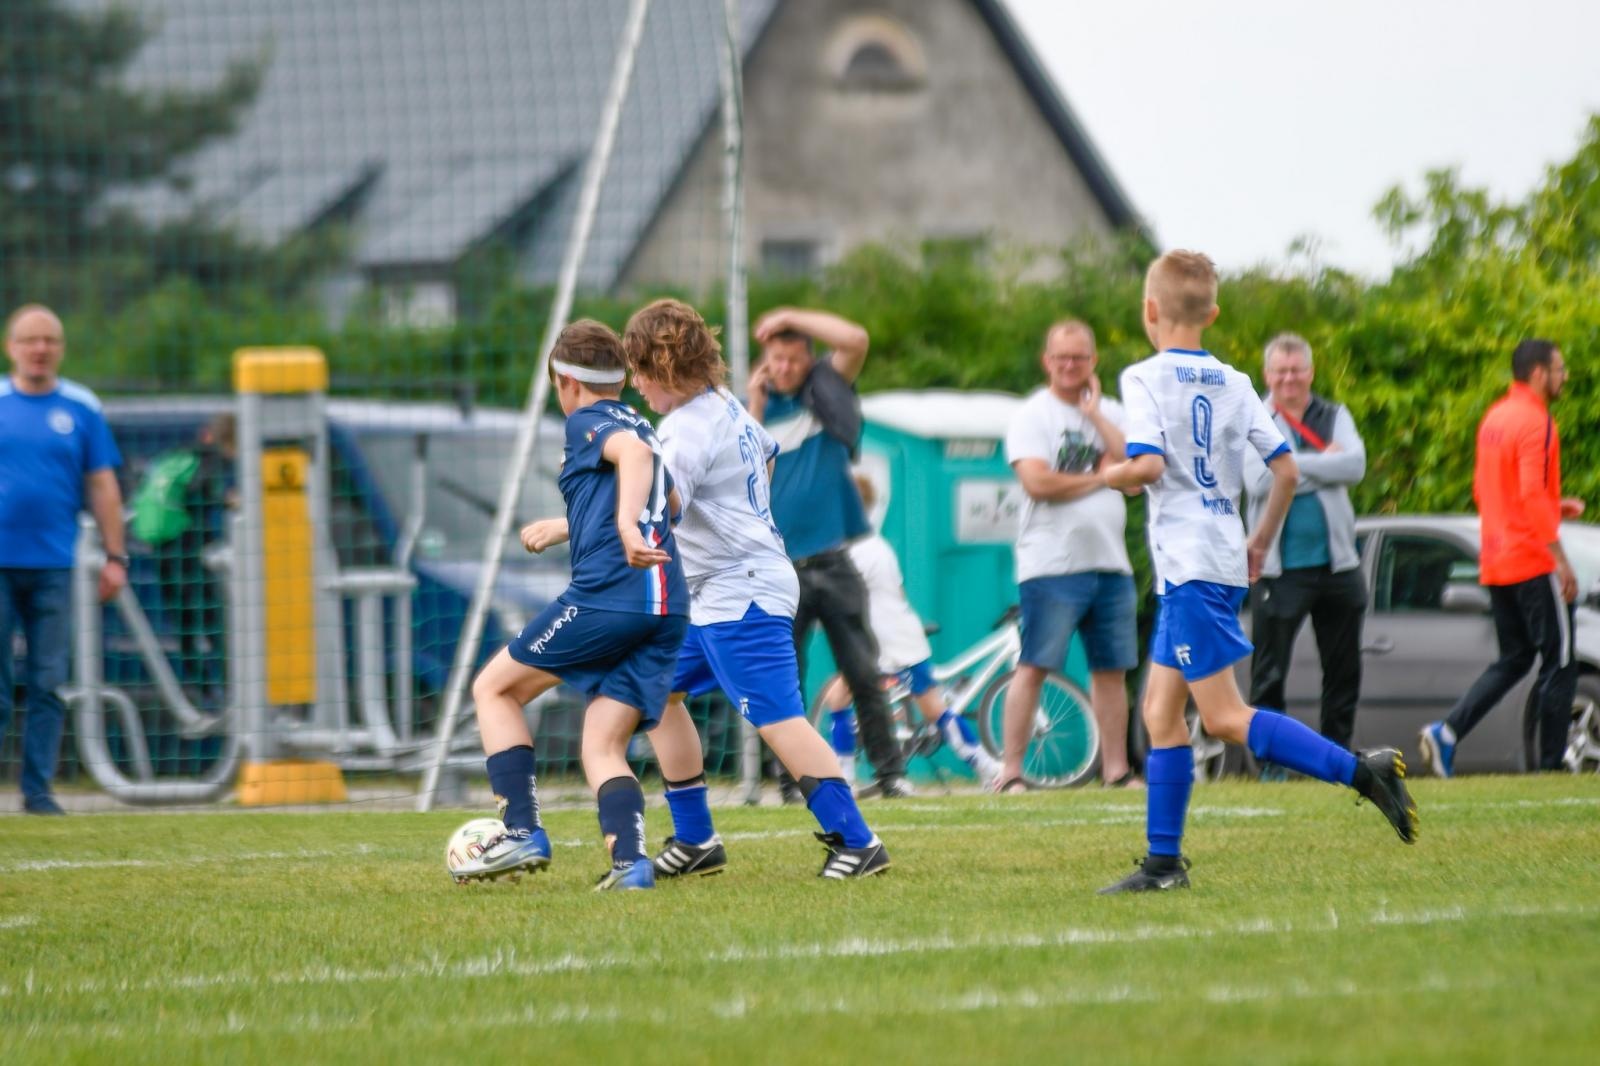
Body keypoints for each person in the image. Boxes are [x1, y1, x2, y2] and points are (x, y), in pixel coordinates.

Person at [1097, 251, 1417, 895]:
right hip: (1213, 559)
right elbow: (1288, 470)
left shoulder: (1143, 378)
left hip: (1189, 565)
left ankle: (1363, 771)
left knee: (1221, 716)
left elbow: (1148, 466)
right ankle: (1163, 866)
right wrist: (1259, 539)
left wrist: (1111, 476)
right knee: (1161, 713)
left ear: (1149, 311)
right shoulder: (1236, 381)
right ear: (1212, 313)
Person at [622, 298, 889, 879]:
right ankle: (695, 840)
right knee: (655, 689)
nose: (637, 384)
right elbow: (766, 455)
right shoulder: (728, 407)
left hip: (737, 592)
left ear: (664, 365)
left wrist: (625, 478)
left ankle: (858, 840)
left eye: (641, 370)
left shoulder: (685, 427)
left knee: (777, 717)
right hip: (728, 585)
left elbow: (663, 505)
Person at [456, 320, 687, 891]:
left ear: (565, 381)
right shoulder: (642, 423)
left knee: (495, 689)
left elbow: (632, 460)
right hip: (666, 604)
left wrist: (625, 526)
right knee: (602, 741)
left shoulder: (589, 421)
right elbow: (673, 501)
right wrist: (577, 526)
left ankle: (520, 829)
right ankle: (631, 865)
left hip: (612, 596)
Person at [746, 307, 909, 799]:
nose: (786, 369)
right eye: (777, 359)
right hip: (779, 569)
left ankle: (889, 775)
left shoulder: (828, 390)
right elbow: (745, 470)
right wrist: (754, 403)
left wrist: (791, 315)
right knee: (783, 680)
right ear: (765, 362)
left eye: (795, 359)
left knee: (862, 672)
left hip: (835, 561)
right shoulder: (752, 410)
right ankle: (790, 782)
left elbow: (856, 336)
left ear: (809, 360)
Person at [1420, 340, 1584, 777]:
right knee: (1561, 660)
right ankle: (1551, 768)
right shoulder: (1537, 421)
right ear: (1538, 373)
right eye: (1560, 368)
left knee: (1515, 658)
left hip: (1496, 561)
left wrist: (1554, 504)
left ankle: (1447, 733)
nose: (1565, 376)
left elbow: (1488, 491)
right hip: (1533, 561)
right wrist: (1562, 561)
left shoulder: (1495, 418)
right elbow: (1529, 492)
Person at [998, 319, 1140, 793]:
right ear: (1047, 361)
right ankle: (1012, 772)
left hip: (1110, 562)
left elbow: (1137, 474)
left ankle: (1116, 770)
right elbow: (1038, 482)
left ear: (1093, 362)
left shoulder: (1113, 411)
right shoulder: (1032, 415)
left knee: (1111, 669)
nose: (1070, 366)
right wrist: (1102, 477)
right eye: (1061, 357)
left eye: (1079, 357)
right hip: (1051, 564)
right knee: (1035, 664)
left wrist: (1097, 415)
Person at [0, 304, 128, 815]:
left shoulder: (81, 407)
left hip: (55, 565)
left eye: (49, 340)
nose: (40, 349)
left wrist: (116, 557)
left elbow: (102, 484)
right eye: (30, 340)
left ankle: (38, 791)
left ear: (60, 347)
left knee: (49, 682)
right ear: (11, 346)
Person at [818, 474, 1003, 787]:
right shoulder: (868, 545)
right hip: (880, 642)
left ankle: (989, 768)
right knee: (839, 699)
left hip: (895, 643)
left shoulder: (863, 549)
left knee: (932, 709)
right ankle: (845, 777)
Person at [1244, 333, 1368, 758]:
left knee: (1343, 669)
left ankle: (1337, 758)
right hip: (1280, 570)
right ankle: (1271, 762)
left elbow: (1354, 466)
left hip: (1338, 565)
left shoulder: (1334, 414)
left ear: (1310, 372)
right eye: (1281, 371)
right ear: (1267, 375)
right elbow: (1256, 480)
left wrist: (1290, 468)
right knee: (1269, 673)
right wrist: (1322, 463)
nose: (1289, 379)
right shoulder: (1253, 417)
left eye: (1297, 370)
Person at [132, 412, 236, 705]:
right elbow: (198, 496)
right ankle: (227, 690)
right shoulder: (208, 461)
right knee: (213, 618)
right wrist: (226, 501)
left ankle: (201, 691)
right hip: (185, 548)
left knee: (184, 623)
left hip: (161, 545)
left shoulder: (175, 456)